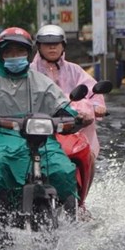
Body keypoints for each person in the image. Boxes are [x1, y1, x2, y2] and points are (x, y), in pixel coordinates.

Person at [0, 27, 90, 250]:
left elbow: (61, 105)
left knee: (62, 168)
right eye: (9, 52)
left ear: (28, 54)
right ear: (0, 55)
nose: (14, 57)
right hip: (1, 137)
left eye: (19, 52)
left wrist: (74, 115)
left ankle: (72, 217)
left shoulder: (40, 81)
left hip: (39, 138)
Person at [30, 24, 107, 212]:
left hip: (71, 128)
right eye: (47, 44)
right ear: (38, 47)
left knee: (88, 157)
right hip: (38, 129)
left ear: (63, 45)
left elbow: (91, 90)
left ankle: (81, 202)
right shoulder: (29, 72)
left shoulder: (74, 70)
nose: (52, 48)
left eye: (56, 44)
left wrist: (96, 107)